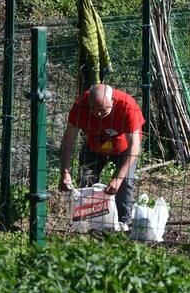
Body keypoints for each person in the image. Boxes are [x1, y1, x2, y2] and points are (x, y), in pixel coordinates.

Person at [59, 83, 145, 229]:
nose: (98, 114)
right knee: (86, 181)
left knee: (125, 182)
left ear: (113, 100)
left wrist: (118, 178)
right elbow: (67, 142)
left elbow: (135, 147)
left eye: (103, 110)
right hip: (94, 146)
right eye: (94, 109)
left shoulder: (128, 105)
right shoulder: (80, 106)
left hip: (124, 149)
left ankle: (124, 223)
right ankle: (89, 223)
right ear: (88, 103)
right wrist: (65, 172)